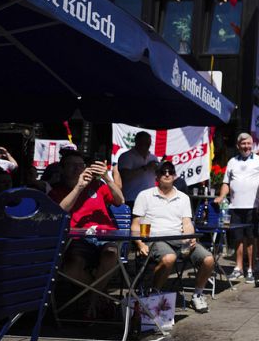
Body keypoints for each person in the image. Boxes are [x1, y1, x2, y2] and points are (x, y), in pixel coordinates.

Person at [131, 161, 215, 313]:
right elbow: (136, 224)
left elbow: (187, 223)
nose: (167, 174)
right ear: (157, 176)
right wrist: (140, 244)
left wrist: (190, 236)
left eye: (170, 171)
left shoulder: (183, 197)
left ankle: (197, 295)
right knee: (169, 258)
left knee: (208, 259)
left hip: (179, 239)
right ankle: (154, 293)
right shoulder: (145, 195)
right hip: (155, 238)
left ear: (175, 176)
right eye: (163, 172)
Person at [48, 151, 124, 318]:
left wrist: (107, 178)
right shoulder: (57, 190)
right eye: (72, 165)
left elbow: (120, 200)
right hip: (77, 239)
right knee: (70, 268)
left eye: (81, 165)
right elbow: (60, 211)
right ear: (62, 168)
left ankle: (92, 299)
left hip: (105, 236)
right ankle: (101, 298)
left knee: (111, 254)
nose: (77, 168)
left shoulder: (97, 185)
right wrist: (79, 187)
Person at [215, 133, 259, 282]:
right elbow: (226, 183)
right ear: (238, 146)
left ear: (252, 145)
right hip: (235, 207)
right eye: (243, 144)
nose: (246, 146)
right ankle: (238, 268)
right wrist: (221, 196)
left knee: (251, 238)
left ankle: (250, 269)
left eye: (249, 143)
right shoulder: (232, 162)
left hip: (253, 206)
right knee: (237, 238)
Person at [117, 131, 158, 207]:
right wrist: (145, 167)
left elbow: (157, 178)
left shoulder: (153, 158)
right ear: (136, 142)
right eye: (143, 142)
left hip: (151, 199)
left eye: (148, 143)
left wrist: (159, 169)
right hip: (133, 198)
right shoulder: (127, 156)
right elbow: (125, 175)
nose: (146, 145)